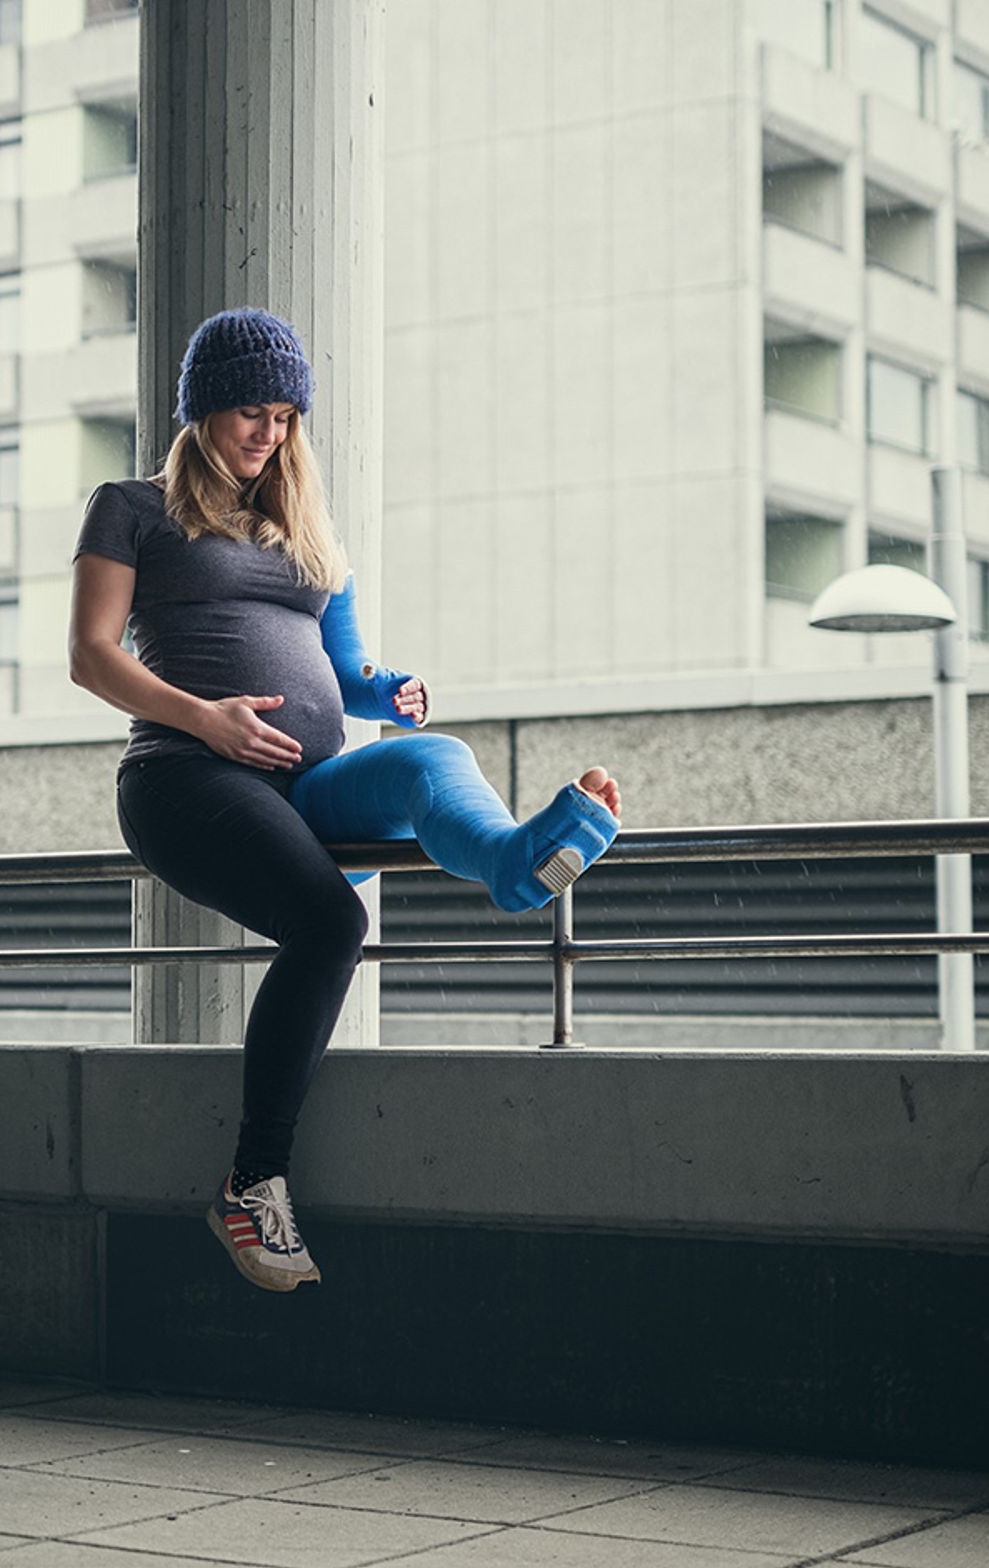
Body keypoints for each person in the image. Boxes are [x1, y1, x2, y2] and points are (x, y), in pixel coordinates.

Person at [68, 307, 621, 1294]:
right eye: (250, 411)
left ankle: (513, 858)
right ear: (201, 409)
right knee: (330, 921)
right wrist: (206, 720)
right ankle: (252, 1181)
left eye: (284, 416)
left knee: (428, 754)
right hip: (185, 776)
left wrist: (385, 690)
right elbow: (90, 656)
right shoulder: (131, 506)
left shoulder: (305, 531)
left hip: (307, 781)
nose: (267, 434)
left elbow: (346, 671)